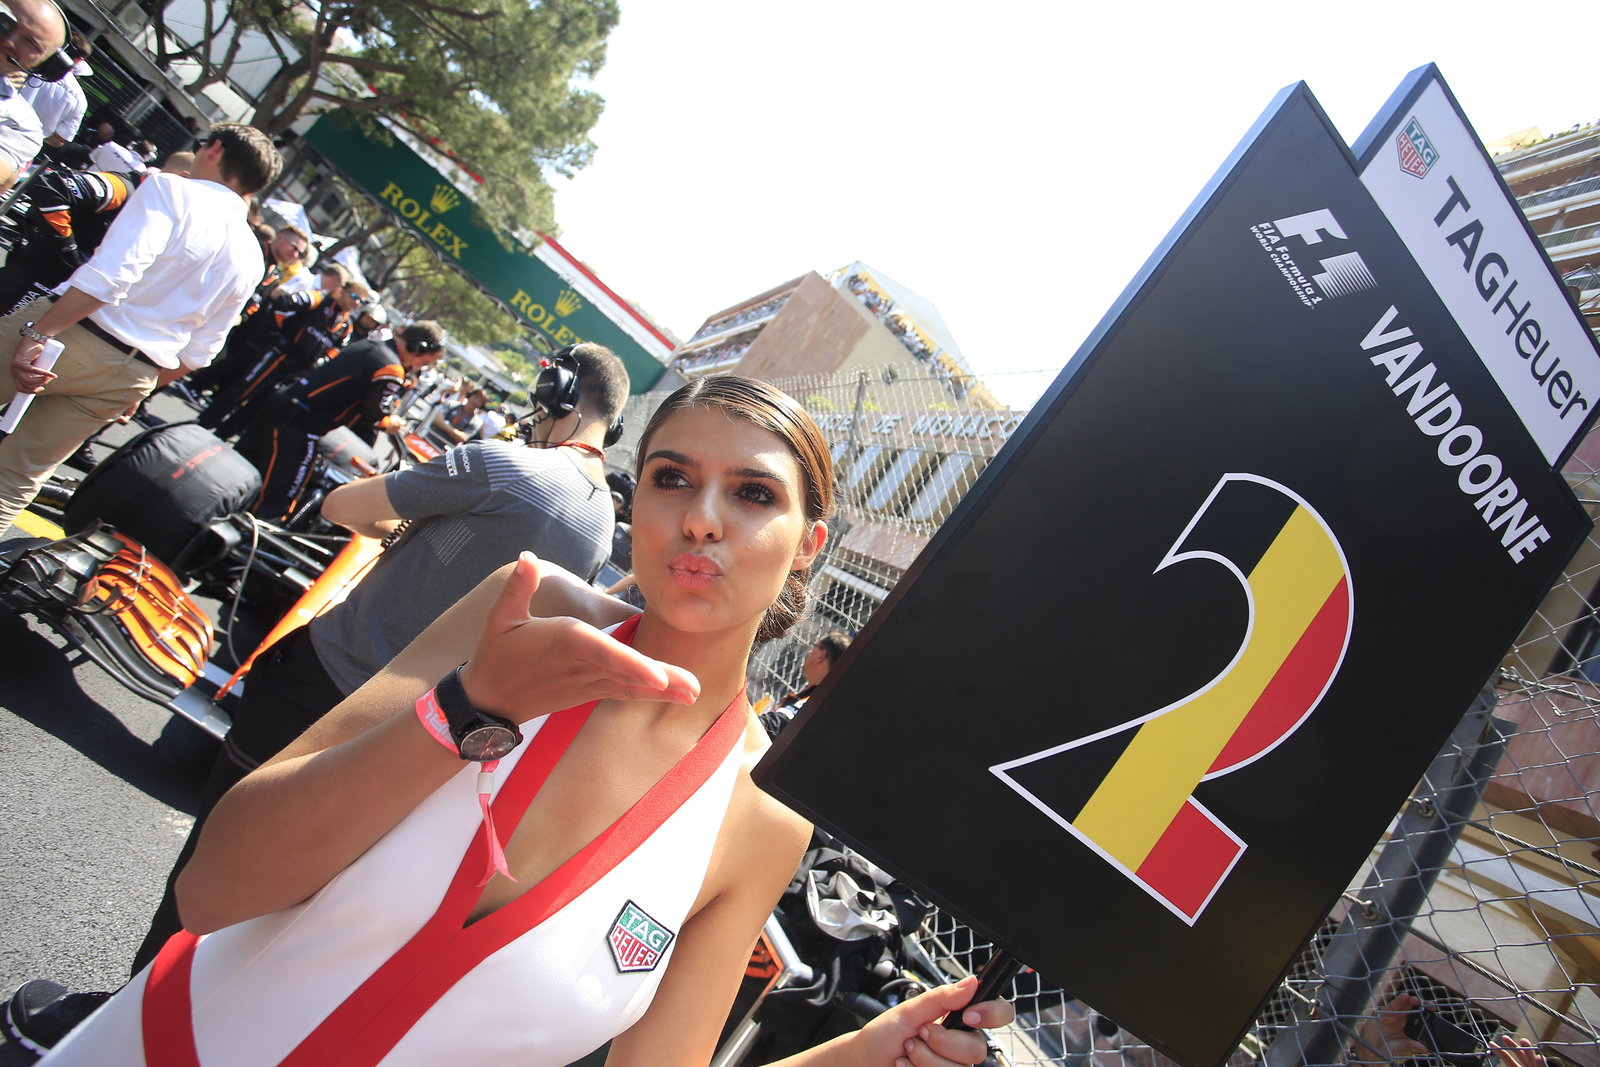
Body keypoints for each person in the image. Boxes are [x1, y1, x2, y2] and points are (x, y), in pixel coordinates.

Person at [30, 374, 1014, 1066]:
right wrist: (467, 709)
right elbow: (216, 885)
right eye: (671, 476)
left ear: (809, 544)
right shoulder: (521, 608)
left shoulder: (760, 815)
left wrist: (862, 1055)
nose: (702, 516)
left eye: (752, 492)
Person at [0, 123, 281, 536]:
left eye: (202, 144)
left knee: (17, 476)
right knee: (15, 478)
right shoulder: (252, 255)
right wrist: (144, 386)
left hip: (77, 332)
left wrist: (41, 332)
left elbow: (112, 276)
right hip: (133, 374)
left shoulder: (173, 190)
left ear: (215, 150)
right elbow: (202, 350)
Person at [231, 318, 443, 522]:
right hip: (301, 425)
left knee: (240, 470)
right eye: (425, 362)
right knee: (279, 501)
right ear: (418, 348)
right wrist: (390, 422)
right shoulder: (391, 369)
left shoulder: (371, 345)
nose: (419, 367)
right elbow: (374, 413)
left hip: (285, 405)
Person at [0, 0, 66, 194]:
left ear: (47, 64)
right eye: (6, 21)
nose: (9, 40)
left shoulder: (23, 127)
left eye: (31, 42)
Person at [762, 630, 852, 738]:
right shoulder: (814, 692)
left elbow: (773, 725)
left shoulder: (816, 701)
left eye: (815, 646)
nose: (809, 652)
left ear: (822, 656)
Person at [18, 30, 89, 149]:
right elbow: (59, 140)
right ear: (79, 60)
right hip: (24, 147)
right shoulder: (80, 101)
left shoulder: (24, 61)